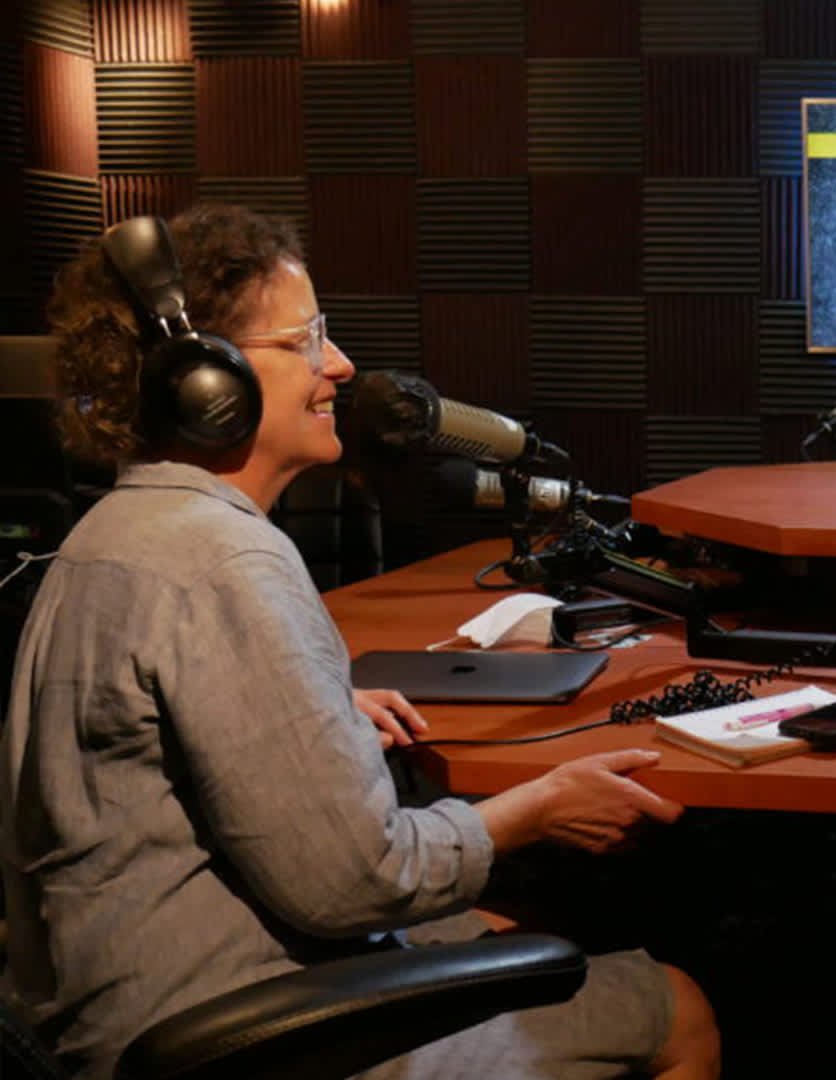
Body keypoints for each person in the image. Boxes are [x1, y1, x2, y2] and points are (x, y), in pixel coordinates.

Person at [1, 204, 721, 1079]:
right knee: (676, 1009)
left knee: (502, 932)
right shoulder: (227, 557)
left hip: (115, 1004)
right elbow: (357, 881)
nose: (337, 366)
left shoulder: (114, 532)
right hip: (223, 1033)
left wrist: (317, 710)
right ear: (206, 381)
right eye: (307, 340)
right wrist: (534, 810)